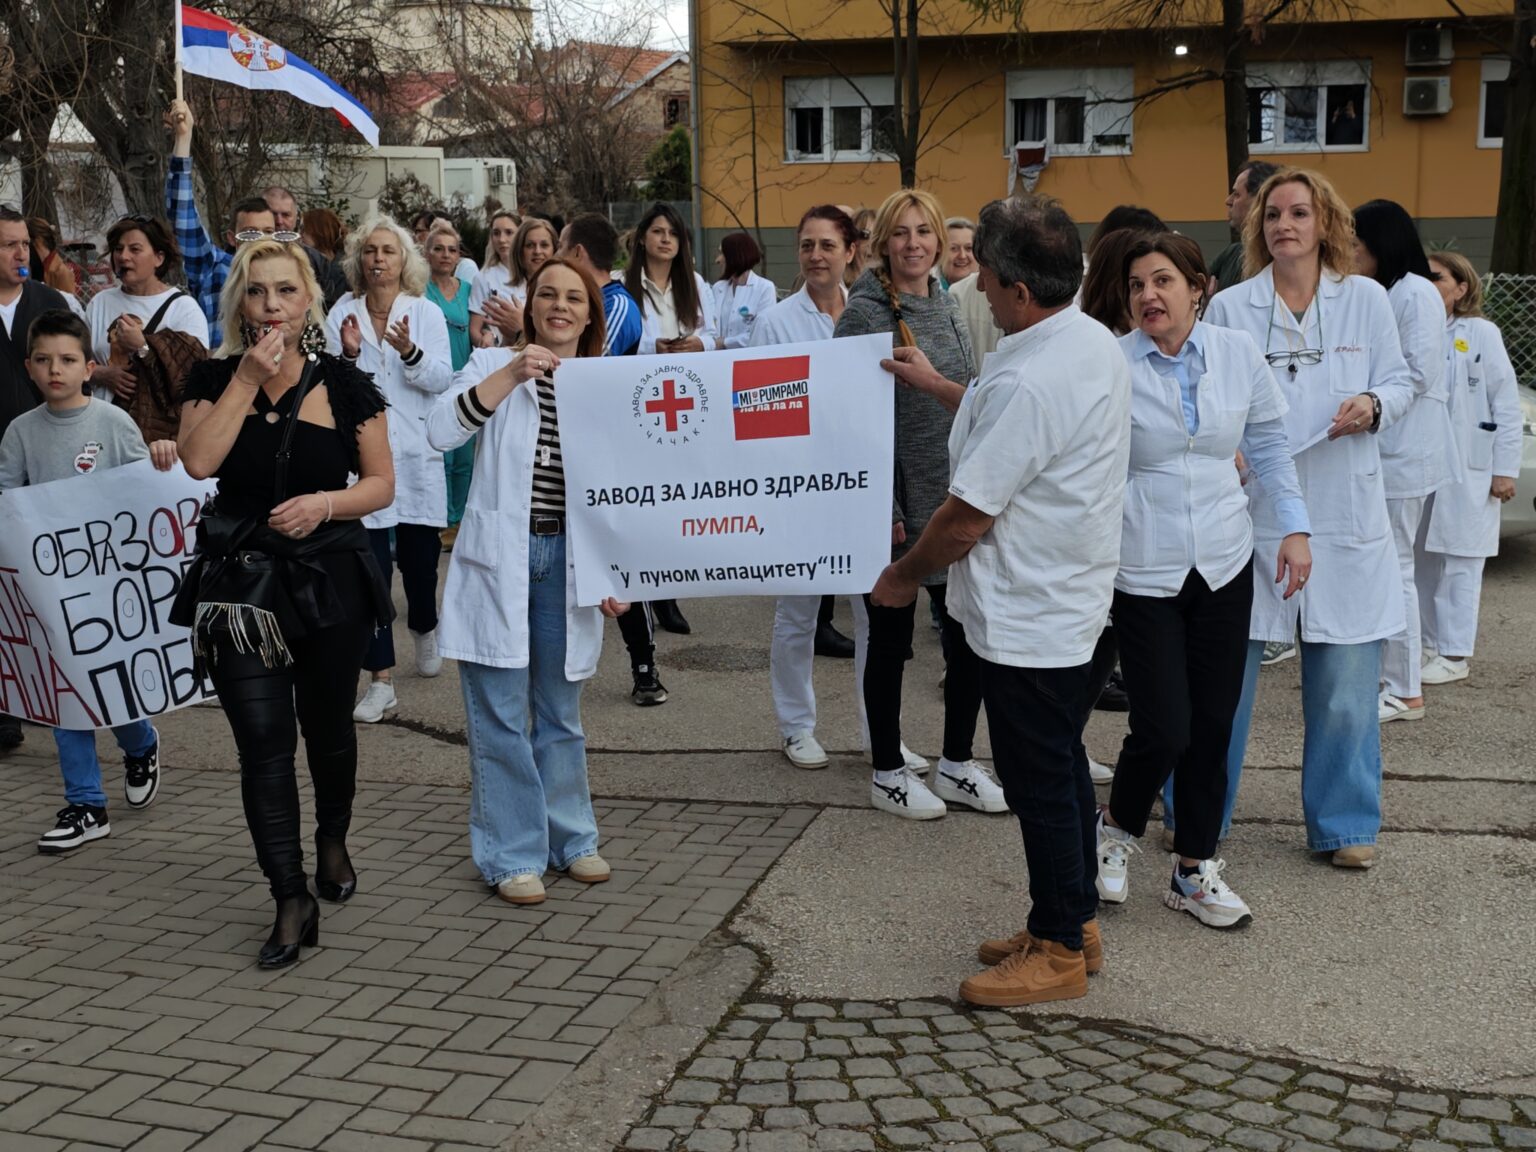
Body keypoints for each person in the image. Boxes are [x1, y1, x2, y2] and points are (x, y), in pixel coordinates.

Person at [873, 195, 1131, 1005]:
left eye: (984, 272)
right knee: (1052, 769)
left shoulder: (1038, 374)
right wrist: (945, 387)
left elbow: (965, 518)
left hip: (1033, 618)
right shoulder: (1079, 340)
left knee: (1041, 781)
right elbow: (1012, 431)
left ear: (1018, 286)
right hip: (1070, 603)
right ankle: (1070, 916)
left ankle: (1057, 952)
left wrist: (904, 576)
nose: (975, 284)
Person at [174, 239, 395, 967]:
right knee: (261, 746)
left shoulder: (345, 383)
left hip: (330, 582)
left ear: (309, 303)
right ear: (241, 302)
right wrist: (243, 380)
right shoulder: (210, 378)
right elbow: (200, 460)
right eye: (258, 291)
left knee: (327, 728)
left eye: (285, 291)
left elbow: (380, 485)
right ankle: (288, 894)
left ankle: (332, 835)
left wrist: (326, 505)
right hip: (242, 590)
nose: (272, 305)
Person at [1092, 233, 1310, 930]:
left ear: (1198, 289)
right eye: (1135, 286)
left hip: (1222, 561)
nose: (1148, 296)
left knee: (1214, 725)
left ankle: (1193, 870)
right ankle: (1115, 831)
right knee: (1164, 726)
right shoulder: (1111, 364)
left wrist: (1295, 528)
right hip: (1143, 567)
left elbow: (1271, 445)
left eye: (1162, 281)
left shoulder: (1237, 355)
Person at [1204, 167, 1414, 871]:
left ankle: (1345, 822)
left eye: (1299, 212)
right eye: (1272, 215)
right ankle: (1200, 810)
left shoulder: (1365, 302)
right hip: (1256, 505)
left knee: (1347, 683)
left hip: (1343, 504)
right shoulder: (1232, 307)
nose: (1284, 224)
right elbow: (1208, 390)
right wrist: (1225, 446)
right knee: (1222, 680)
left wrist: (1376, 404)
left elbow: (1403, 378)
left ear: (1325, 223)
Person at [425, 258, 628, 906]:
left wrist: (619, 570)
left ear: (591, 314)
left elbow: (628, 491)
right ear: (531, 304)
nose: (561, 306)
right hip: (503, 557)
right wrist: (512, 371)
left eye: (575, 298)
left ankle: (572, 840)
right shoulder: (490, 367)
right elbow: (439, 430)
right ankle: (510, 852)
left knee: (561, 712)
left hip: (569, 560)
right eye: (548, 295)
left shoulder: (605, 384)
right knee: (502, 716)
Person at [834, 188, 997, 820]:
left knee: (965, 639)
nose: (913, 244)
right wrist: (884, 502)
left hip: (955, 494)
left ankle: (957, 762)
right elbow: (853, 421)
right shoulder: (866, 313)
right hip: (899, 501)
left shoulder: (949, 305)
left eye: (922, 233)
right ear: (882, 243)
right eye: (900, 233)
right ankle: (887, 770)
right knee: (892, 639)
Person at [0, 311, 178, 853]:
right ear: (29, 367)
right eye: (45, 360)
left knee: (107, 684)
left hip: (107, 586)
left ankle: (140, 740)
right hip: (51, 590)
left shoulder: (111, 423)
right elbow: (8, 501)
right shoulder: (20, 432)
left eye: (68, 360)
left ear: (88, 367)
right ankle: (85, 804)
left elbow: (142, 492)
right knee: (64, 695)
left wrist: (161, 458)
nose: (56, 369)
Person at [749, 205, 868, 767]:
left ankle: (878, 732)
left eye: (827, 245)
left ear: (850, 251)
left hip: (863, 483)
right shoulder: (777, 322)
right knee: (798, 610)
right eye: (806, 245)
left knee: (874, 615)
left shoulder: (870, 314)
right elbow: (758, 411)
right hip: (799, 483)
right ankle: (796, 726)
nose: (816, 256)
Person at [327, 217, 454, 722]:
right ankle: (380, 679)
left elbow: (443, 378)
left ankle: (425, 626)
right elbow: (331, 388)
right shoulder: (343, 312)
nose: (379, 259)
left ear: (405, 263)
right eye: (371, 251)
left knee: (420, 568)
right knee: (371, 573)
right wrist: (350, 355)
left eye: (389, 251)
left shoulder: (425, 314)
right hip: (365, 463)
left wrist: (409, 351)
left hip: (418, 458)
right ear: (360, 261)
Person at [557, 213, 672, 705]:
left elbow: (588, 369)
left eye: (561, 248)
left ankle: (644, 664)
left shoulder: (617, 305)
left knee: (618, 561)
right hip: (566, 450)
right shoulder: (576, 303)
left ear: (580, 253)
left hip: (606, 452)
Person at [1351, 199, 1457, 724]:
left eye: (1355, 244)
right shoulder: (1395, 291)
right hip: (1395, 448)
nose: (1349, 254)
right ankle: (1396, 678)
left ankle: (1405, 688)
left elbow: (1415, 373)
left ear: (1380, 244)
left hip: (1403, 450)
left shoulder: (1414, 293)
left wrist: (1367, 403)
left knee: (1395, 568)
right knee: (1393, 566)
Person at [1417, 252, 1522, 685]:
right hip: (1423, 464)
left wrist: (1505, 469)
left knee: (1461, 561)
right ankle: (1423, 644)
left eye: (1437, 278)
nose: (1427, 284)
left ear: (1461, 289)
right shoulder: (1413, 330)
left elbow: (1506, 403)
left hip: (1470, 465)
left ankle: (1455, 653)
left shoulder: (1480, 332)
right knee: (1420, 559)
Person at [164, 100, 347, 343]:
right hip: (227, 377)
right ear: (232, 237)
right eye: (250, 233)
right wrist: (184, 140)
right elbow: (182, 214)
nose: (261, 239)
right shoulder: (214, 268)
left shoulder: (296, 269)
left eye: (268, 231)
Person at [625, 203, 719, 637]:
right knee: (643, 498)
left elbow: (716, 334)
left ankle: (668, 589)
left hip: (685, 401)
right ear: (642, 237)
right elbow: (613, 342)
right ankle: (642, 586)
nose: (665, 239)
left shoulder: (695, 284)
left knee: (676, 500)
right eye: (657, 231)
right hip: (638, 401)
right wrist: (652, 349)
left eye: (673, 233)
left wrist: (697, 344)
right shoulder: (621, 287)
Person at [0, 205, 71, 752]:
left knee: (43, 591)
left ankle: (52, 695)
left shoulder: (50, 303)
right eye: (8, 245)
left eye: (24, 243)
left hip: (46, 469)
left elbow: (74, 373)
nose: (20, 253)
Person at [85, 216, 209, 443]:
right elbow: (75, 362)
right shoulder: (99, 303)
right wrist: (102, 374)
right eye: (118, 249)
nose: (123, 256)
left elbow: (194, 379)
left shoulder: (183, 308)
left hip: (157, 439)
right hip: (101, 431)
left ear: (159, 258)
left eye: (135, 249)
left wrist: (142, 346)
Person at [425, 222, 476, 550]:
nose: (446, 255)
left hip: (465, 376)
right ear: (427, 253)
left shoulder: (469, 290)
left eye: (452, 249)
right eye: (438, 248)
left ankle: (457, 523)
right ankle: (439, 520)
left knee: (465, 456)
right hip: (432, 379)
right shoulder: (419, 289)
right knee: (440, 456)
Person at [471, 214, 552, 350]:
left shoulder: (542, 277)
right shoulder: (484, 276)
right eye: (496, 233)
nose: (502, 239)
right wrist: (489, 340)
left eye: (509, 233)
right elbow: (476, 328)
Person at [1209, 162, 1280, 294]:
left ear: (1258, 200)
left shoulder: (1282, 260)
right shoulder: (1232, 254)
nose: (1228, 201)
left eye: (1236, 194)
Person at [711, 231, 776, 350]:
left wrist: (724, 342)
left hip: (748, 362)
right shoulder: (718, 288)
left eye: (722, 253)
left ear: (735, 256)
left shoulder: (765, 288)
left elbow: (762, 334)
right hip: (718, 361)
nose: (717, 260)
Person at [26, 216, 83, 309]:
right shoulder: (38, 267)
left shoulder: (61, 273)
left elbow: (68, 308)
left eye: (26, 242)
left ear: (38, 241)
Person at [940, 216, 976, 289]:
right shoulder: (927, 290)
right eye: (954, 248)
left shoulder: (991, 289)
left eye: (969, 248)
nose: (962, 256)